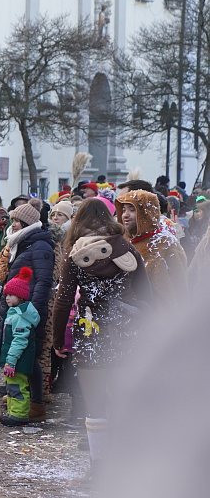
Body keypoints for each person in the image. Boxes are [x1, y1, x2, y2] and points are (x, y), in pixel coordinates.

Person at [51, 199, 148, 467]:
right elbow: (146, 296)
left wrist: (59, 340)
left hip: (90, 334)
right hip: (125, 334)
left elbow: (63, 300)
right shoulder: (128, 249)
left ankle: (99, 467)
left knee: (95, 407)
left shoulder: (75, 255)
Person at [0, 200, 55, 421]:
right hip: (17, 308)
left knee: (30, 359)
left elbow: (43, 282)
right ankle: (20, 400)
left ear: (27, 222)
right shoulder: (22, 242)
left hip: (28, 312)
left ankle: (35, 405)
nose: (14, 224)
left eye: (16, 221)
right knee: (20, 358)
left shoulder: (40, 246)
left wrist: (32, 312)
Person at [115, 190, 188, 304]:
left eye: (132, 210)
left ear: (146, 212)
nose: (125, 215)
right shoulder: (122, 241)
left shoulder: (166, 243)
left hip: (159, 312)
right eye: (123, 210)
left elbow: (180, 284)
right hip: (128, 312)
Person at [0, 267, 40, 427]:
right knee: (12, 385)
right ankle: (13, 411)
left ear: (21, 297)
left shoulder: (20, 317)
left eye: (11, 295)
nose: (7, 298)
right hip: (15, 360)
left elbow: (19, 341)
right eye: (6, 294)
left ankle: (19, 414)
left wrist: (11, 361)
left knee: (17, 386)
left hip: (18, 361)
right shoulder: (14, 313)